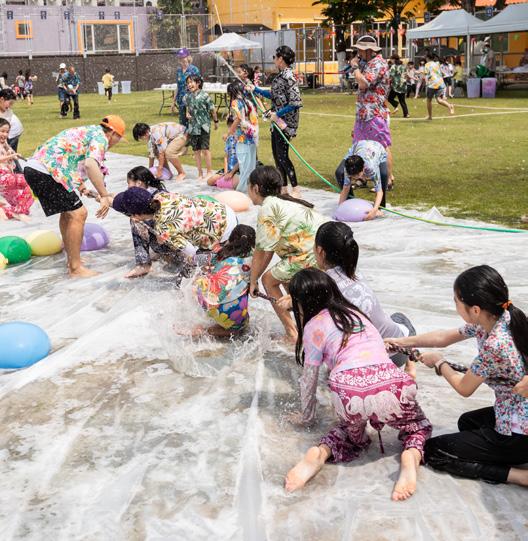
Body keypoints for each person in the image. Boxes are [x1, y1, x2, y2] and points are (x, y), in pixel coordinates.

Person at [283, 269, 432, 499]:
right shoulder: (356, 314)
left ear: (301, 303)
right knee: (418, 427)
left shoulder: (313, 327)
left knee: (349, 435)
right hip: (391, 385)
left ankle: (321, 453)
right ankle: (410, 455)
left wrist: (307, 417)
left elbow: (309, 379)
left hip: (348, 392)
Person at [385, 265, 528, 487]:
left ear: (476, 309)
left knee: (434, 451)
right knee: (467, 422)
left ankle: (518, 476)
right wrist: (399, 342)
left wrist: (440, 363)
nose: (455, 306)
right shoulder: (500, 317)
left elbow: (464, 388)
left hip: (518, 433)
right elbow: (443, 337)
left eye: (456, 301)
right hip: (515, 414)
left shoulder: (495, 344)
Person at [23, 115, 126, 277]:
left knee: (68, 213)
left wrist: (81, 186)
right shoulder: (101, 137)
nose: (116, 143)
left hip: (35, 168)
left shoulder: (89, 132)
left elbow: (69, 159)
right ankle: (75, 268)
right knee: (79, 213)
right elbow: (90, 165)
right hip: (45, 171)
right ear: (113, 133)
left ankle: (72, 258)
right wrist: (104, 195)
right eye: (118, 138)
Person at [248, 166, 328, 342]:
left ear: (256, 188)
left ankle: (292, 333)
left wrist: (253, 281)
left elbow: (263, 251)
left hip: (312, 253)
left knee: (268, 280)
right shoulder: (282, 201)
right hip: (322, 250)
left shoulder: (268, 208)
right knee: (285, 280)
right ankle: (305, 328)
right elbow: (268, 249)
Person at [112, 186, 238, 271]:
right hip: (224, 211)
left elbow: (191, 252)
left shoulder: (163, 228)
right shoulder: (162, 196)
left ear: (136, 216)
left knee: (191, 261)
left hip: (225, 231)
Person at [251, 46, 302, 197]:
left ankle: (296, 189)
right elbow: (274, 94)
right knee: (277, 156)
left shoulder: (289, 76)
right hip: (277, 122)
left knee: (283, 156)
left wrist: (277, 114)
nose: (274, 60)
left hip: (285, 124)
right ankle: (284, 188)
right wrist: (255, 89)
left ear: (281, 59)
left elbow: (295, 102)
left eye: (275, 57)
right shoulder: (280, 76)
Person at [193, 224, 255, 337]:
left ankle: (211, 315)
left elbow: (199, 262)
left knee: (204, 278)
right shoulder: (253, 260)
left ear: (231, 238)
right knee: (241, 327)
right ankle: (206, 331)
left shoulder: (221, 251)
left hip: (203, 298)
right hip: (224, 310)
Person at [349, 35, 395, 189]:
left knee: (381, 146)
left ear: (368, 50)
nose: (358, 53)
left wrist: (355, 68)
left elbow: (363, 83)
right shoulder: (367, 63)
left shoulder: (378, 63)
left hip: (374, 113)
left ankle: (388, 179)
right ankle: (362, 177)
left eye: (360, 50)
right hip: (363, 112)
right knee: (359, 145)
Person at [116, 166, 177, 279]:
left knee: (136, 221)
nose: (128, 187)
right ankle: (163, 254)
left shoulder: (150, 199)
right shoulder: (159, 193)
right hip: (179, 243)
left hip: (171, 246)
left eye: (129, 183)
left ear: (139, 183)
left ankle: (143, 264)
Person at [335, 139, 388, 220]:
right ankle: (350, 201)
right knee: (339, 172)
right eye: (352, 176)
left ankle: (380, 207)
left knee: (383, 175)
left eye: (358, 175)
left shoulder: (371, 168)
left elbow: (379, 191)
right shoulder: (348, 169)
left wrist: (374, 210)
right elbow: (345, 188)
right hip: (358, 147)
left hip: (378, 149)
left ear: (363, 168)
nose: (355, 178)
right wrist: (340, 208)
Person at [184, 74, 218, 181]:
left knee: (205, 149)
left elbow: (212, 109)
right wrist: (187, 113)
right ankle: (200, 173)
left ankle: (209, 171)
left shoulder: (205, 95)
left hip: (204, 126)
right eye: (188, 83)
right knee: (196, 150)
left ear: (198, 83)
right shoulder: (187, 96)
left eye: (191, 82)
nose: (189, 84)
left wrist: (216, 121)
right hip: (193, 127)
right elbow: (188, 107)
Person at [226, 81, 258, 193]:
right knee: (251, 167)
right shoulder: (248, 102)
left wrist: (229, 132)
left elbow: (238, 118)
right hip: (252, 138)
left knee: (244, 168)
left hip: (242, 139)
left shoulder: (235, 102)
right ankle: (251, 191)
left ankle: (242, 191)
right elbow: (254, 119)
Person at [0, 118, 33, 221]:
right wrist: (11, 156)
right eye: (2, 131)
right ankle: (16, 211)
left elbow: (11, 152)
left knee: (26, 206)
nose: (5, 134)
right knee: (27, 180)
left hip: (7, 180)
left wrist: (13, 154)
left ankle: (5, 210)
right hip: (2, 178)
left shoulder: (4, 143)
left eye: (7, 132)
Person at [207, 116, 239, 190]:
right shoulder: (229, 140)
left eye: (233, 127)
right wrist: (226, 172)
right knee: (210, 181)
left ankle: (225, 184)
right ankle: (223, 184)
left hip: (238, 169)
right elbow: (226, 157)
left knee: (235, 184)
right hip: (229, 169)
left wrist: (231, 173)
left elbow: (241, 160)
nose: (231, 129)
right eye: (229, 127)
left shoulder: (241, 141)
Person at [172, 48, 200, 127]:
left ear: (188, 57)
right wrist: (173, 102)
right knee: (182, 125)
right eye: (180, 57)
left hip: (191, 100)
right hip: (181, 102)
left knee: (192, 123)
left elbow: (199, 86)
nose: (181, 59)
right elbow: (178, 87)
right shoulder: (179, 71)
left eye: (183, 57)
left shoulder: (194, 70)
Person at [424, 52, 454, 120]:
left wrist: (426, 82)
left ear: (427, 58)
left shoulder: (427, 65)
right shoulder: (437, 63)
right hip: (440, 83)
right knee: (439, 100)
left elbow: (426, 75)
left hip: (432, 84)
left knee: (429, 100)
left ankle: (430, 116)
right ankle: (450, 106)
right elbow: (441, 72)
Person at [0, 88, 24, 156]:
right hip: (7, 135)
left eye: (12, 104)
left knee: (10, 154)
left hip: (13, 133)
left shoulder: (9, 112)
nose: (10, 106)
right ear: (2, 99)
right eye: (10, 103)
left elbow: (5, 130)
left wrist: (8, 148)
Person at [388, 53, 409, 118]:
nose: (391, 60)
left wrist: (388, 82)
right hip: (403, 85)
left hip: (395, 86)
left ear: (394, 59)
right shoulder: (403, 66)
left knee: (390, 98)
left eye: (391, 59)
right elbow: (406, 75)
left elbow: (391, 76)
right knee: (402, 101)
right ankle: (406, 114)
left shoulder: (393, 66)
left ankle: (396, 104)